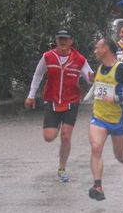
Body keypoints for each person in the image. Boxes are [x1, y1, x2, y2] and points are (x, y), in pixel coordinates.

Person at [25, 28, 93, 183]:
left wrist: (96, 76)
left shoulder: (79, 59)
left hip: (71, 102)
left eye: (66, 39)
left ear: (71, 41)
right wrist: (31, 95)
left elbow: (89, 78)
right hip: (52, 101)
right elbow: (38, 75)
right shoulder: (48, 57)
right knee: (49, 137)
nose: (62, 42)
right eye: (60, 39)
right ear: (56, 41)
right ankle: (54, 131)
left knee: (66, 136)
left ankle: (62, 168)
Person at [88, 37, 123, 201]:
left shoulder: (121, 69)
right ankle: (98, 185)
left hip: (117, 119)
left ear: (106, 49)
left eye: (97, 47)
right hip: (99, 116)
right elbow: (98, 88)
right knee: (96, 148)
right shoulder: (100, 67)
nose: (95, 51)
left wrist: (115, 99)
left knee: (119, 156)